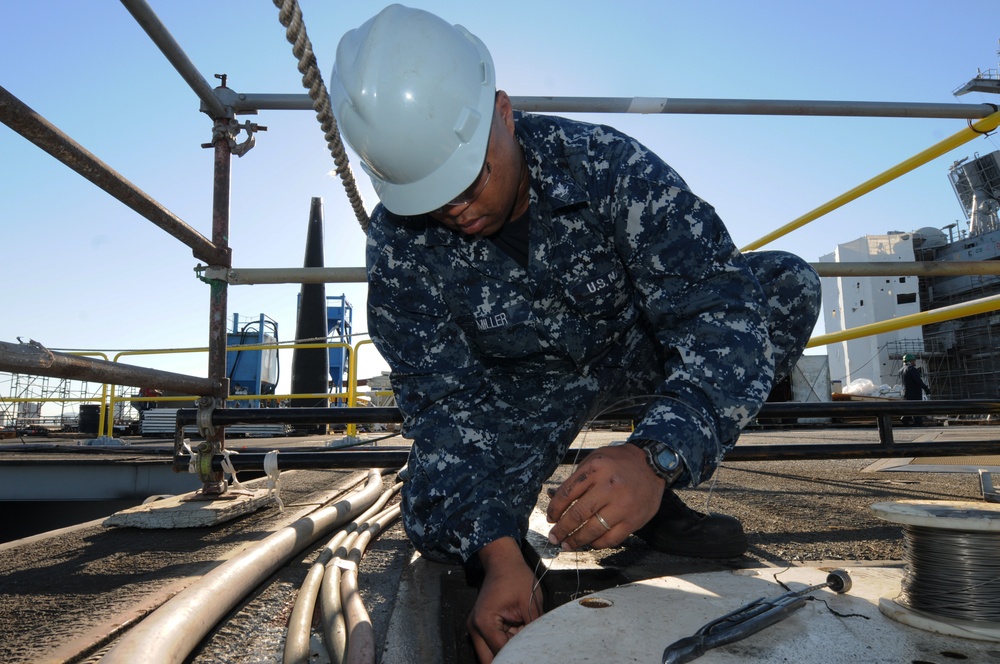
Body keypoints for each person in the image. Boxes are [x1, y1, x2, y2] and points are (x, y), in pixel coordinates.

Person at [331, 6, 821, 661]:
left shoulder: (605, 165)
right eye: (430, 196)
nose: (456, 207)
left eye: (469, 176)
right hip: (523, 389)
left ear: (503, 112)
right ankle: (518, 548)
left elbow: (717, 309)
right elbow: (440, 404)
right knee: (428, 501)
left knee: (783, 285)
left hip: (639, 347)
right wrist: (499, 555)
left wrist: (656, 457)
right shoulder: (399, 244)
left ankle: (652, 498)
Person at [899, 353, 930, 425]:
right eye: (913, 361)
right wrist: (925, 388)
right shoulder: (912, 369)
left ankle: (905, 418)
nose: (914, 362)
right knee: (917, 407)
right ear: (909, 361)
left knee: (909, 407)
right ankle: (918, 422)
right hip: (914, 392)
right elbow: (918, 381)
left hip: (905, 392)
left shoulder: (901, 370)